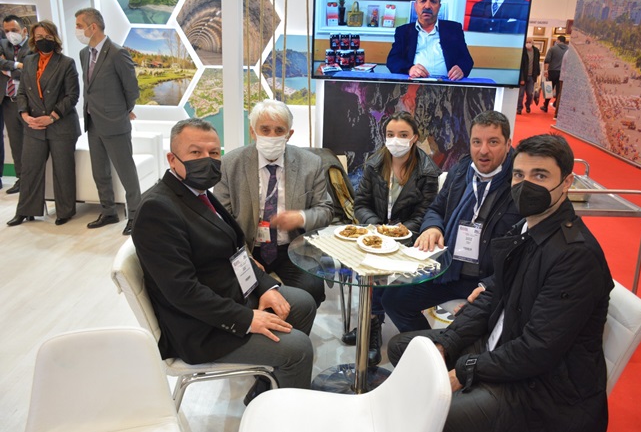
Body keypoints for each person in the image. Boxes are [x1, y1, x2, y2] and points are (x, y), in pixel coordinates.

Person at [388, 134, 613, 432]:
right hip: (499, 347)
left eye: (540, 175)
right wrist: (448, 343)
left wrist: (464, 371)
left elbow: (538, 349)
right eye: (519, 175)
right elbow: (491, 295)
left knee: (437, 416)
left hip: (539, 388)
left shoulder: (575, 256)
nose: (525, 185)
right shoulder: (525, 228)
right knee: (404, 348)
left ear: (567, 182)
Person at [132, 118, 317, 401]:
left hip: (230, 292)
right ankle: (286, 410)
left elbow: (236, 251)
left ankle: (269, 382)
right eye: (195, 152)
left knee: (302, 303)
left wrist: (265, 287)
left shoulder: (198, 194)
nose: (207, 160)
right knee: (298, 349)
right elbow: (182, 292)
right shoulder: (158, 209)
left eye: (214, 153)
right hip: (200, 326)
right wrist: (246, 319)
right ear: (172, 159)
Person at [381, 111, 521, 332]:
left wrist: (490, 286)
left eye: (493, 142)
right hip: (448, 270)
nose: (483, 150)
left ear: (508, 144)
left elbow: (522, 255)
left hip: (488, 280)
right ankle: (427, 346)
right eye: (477, 142)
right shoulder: (461, 170)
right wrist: (432, 227)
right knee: (393, 299)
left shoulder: (518, 182)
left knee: (468, 329)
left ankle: (446, 348)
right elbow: (436, 208)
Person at [344, 111, 442, 365]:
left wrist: (397, 233)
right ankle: (371, 322)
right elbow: (361, 204)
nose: (395, 140)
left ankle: (371, 325)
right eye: (390, 134)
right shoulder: (373, 164)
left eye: (403, 134)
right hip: (374, 235)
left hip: (409, 240)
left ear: (415, 138)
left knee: (382, 269)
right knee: (368, 266)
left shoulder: (428, 171)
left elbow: (425, 212)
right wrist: (377, 228)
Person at [215, 99, 333, 307]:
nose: (271, 136)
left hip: (293, 248)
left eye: (279, 130)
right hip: (247, 247)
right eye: (265, 129)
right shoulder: (229, 164)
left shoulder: (311, 163)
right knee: (241, 294)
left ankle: (297, 325)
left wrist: (301, 217)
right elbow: (222, 219)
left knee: (312, 290)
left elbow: (326, 210)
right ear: (253, 132)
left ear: (289, 134)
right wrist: (246, 257)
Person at [6, 21, 81, 227]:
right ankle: (26, 211)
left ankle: (65, 211)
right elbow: (22, 92)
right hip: (33, 126)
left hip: (60, 125)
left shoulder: (66, 63)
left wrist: (52, 117)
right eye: (39, 37)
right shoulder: (29, 61)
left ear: (54, 38)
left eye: (47, 37)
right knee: (30, 169)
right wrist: (24, 114)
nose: (43, 41)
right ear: (33, 39)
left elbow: (72, 95)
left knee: (63, 170)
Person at [75, 8, 141, 235]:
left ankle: (135, 216)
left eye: (79, 25)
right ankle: (109, 212)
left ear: (92, 27)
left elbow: (132, 89)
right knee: (100, 172)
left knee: (126, 172)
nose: (77, 30)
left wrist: (124, 111)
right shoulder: (84, 54)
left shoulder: (117, 53)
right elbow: (90, 88)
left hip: (115, 123)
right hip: (93, 122)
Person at [386, 0, 473, 80]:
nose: (427, 6)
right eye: (423, 1)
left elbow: (467, 60)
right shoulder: (403, 31)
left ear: (439, 6)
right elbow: (393, 60)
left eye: (433, 1)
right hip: (415, 84)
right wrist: (409, 69)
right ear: (415, 6)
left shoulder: (453, 29)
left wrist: (461, 69)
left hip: (447, 85)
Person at [0, 15, 34, 195]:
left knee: (33, 142)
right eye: (6, 31)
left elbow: (29, 71)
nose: (10, 34)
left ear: (24, 30)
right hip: (8, 102)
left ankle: (35, 180)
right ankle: (21, 179)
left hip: (27, 102)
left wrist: (7, 70)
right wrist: (16, 65)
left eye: (13, 30)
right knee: (16, 143)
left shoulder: (32, 47)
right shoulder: (3, 44)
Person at [541, 35, 568, 113]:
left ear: (558, 40)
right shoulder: (568, 50)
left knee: (549, 89)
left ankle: (545, 106)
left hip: (552, 71)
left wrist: (546, 71)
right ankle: (557, 107)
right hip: (562, 72)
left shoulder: (552, 49)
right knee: (559, 91)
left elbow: (547, 60)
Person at [517, 38, 540, 115]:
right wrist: (521, 78)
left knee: (530, 94)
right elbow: (520, 65)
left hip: (532, 76)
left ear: (532, 43)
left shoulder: (536, 51)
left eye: (529, 42)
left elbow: (537, 63)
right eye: (527, 42)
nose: (528, 43)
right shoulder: (522, 51)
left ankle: (527, 105)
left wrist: (537, 73)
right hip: (523, 76)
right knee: (520, 94)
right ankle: (519, 108)